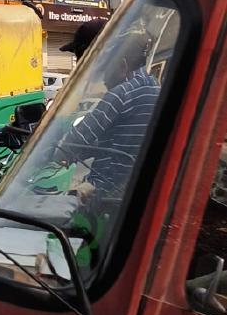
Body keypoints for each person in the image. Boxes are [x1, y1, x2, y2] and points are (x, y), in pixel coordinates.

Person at [54, 31, 159, 209]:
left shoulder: (121, 93)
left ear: (122, 65)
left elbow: (83, 133)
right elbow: (120, 140)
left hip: (104, 187)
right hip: (132, 183)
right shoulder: (155, 88)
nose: (104, 78)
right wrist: (82, 153)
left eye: (108, 69)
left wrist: (58, 152)